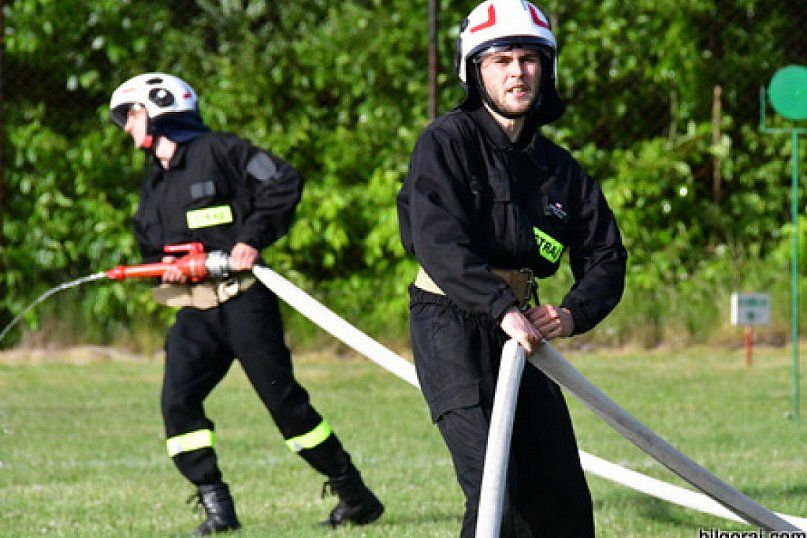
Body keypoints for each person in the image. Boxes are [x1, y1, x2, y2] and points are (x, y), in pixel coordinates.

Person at [109, 73, 383, 535]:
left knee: (285, 405)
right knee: (178, 402)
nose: (125, 127)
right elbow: (149, 245)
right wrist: (165, 267)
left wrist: (250, 240)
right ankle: (218, 508)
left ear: (156, 110)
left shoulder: (221, 151)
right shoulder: (154, 181)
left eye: (129, 115)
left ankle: (355, 495)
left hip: (244, 303)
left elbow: (283, 181)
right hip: (195, 310)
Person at [397, 0, 628, 536]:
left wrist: (571, 314)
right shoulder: (445, 143)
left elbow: (606, 255)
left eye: (528, 59)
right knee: (495, 488)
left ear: (545, 68)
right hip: (449, 323)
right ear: (474, 70)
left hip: (522, 330)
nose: (517, 72)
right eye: (501, 60)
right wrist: (500, 307)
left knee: (562, 498)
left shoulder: (559, 168)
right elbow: (437, 242)